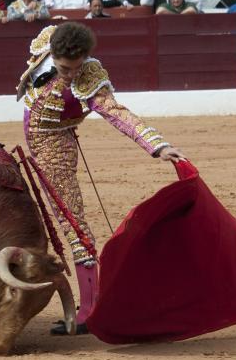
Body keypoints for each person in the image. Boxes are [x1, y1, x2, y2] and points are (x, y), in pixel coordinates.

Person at [16, 22, 185, 334]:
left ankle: (90, 311)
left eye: (75, 68)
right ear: (53, 53)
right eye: (65, 68)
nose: (70, 75)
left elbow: (118, 113)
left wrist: (156, 145)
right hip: (34, 145)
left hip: (55, 150)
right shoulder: (46, 42)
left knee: (72, 223)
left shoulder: (90, 77)